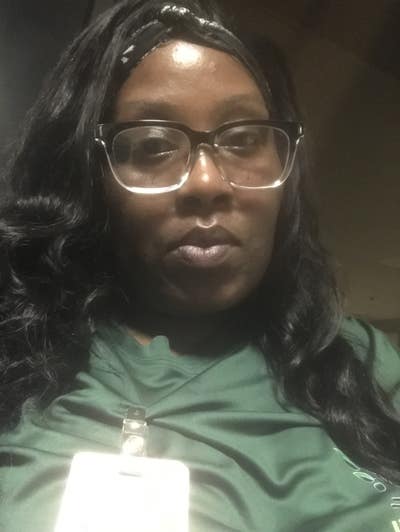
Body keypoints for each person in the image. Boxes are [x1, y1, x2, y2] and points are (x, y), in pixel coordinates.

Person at [0, 1, 399, 530]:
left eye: (244, 140)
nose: (207, 183)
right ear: (89, 178)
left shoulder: (364, 365)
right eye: (152, 145)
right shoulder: (13, 350)